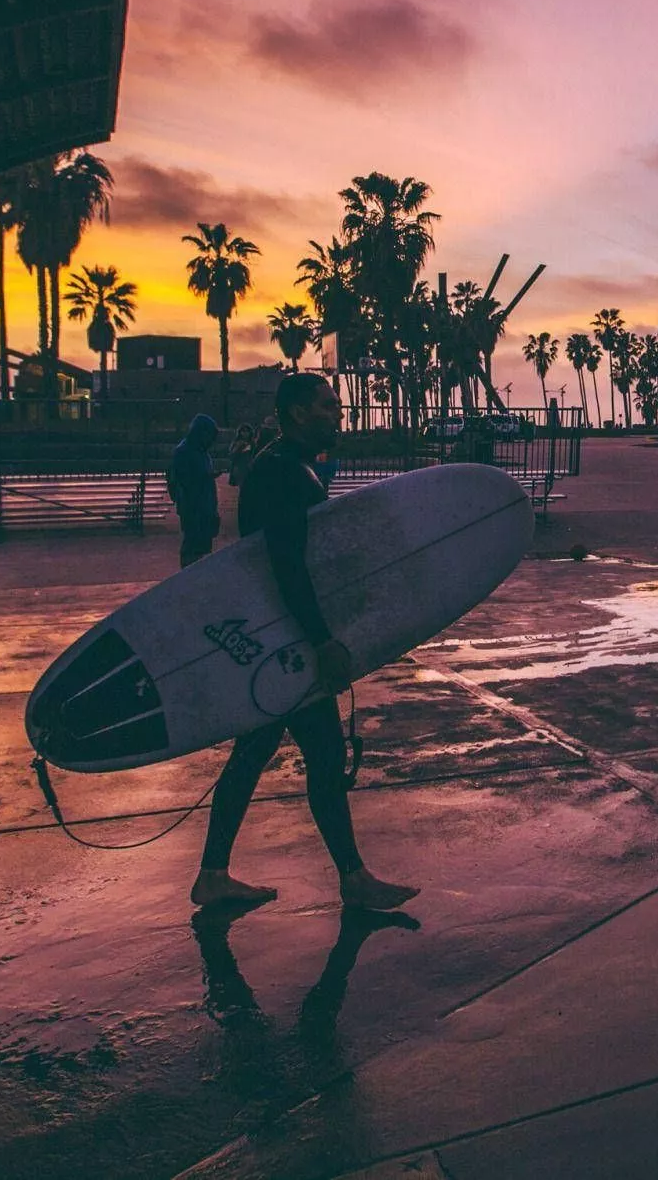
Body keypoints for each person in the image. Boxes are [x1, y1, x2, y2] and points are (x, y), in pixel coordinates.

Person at [190, 373, 418, 913]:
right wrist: (321, 640)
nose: (338, 415)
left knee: (260, 751)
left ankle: (213, 874)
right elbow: (289, 567)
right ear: (296, 412)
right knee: (321, 752)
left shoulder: (283, 466)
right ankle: (353, 880)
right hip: (287, 639)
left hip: (275, 637)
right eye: (328, 406)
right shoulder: (284, 474)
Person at [170, 414, 221, 567]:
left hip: (205, 505)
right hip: (192, 506)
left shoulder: (201, 451)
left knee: (203, 546)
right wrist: (205, 476)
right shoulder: (184, 451)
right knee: (192, 546)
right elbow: (183, 480)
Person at [227, 423, 255, 487]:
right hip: (239, 468)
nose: (245, 433)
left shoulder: (252, 443)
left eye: (247, 431)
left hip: (249, 468)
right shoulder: (236, 443)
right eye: (243, 431)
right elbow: (231, 456)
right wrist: (237, 448)